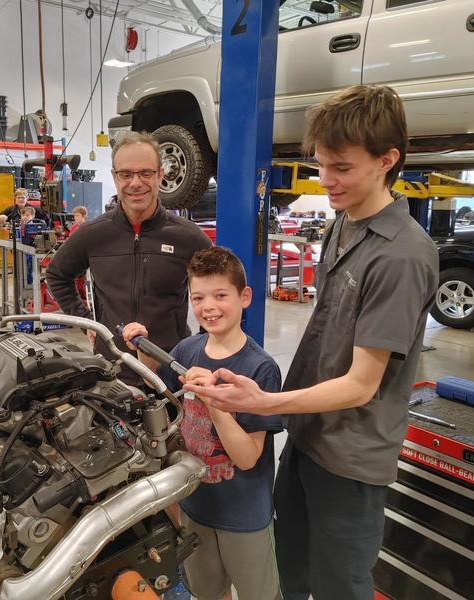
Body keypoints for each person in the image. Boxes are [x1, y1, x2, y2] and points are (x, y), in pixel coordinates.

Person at [182, 85, 439, 600]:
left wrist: (263, 402)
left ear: (388, 160)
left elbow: (362, 384)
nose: (326, 181)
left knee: (339, 585)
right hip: (307, 438)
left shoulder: (402, 256)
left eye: (341, 167)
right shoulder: (342, 224)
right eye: (321, 165)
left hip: (350, 454)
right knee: (291, 570)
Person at [122, 247, 282, 600]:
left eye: (220, 295)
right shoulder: (187, 351)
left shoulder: (260, 368)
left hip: (244, 518)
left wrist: (215, 402)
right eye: (198, 297)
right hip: (196, 506)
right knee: (207, 592)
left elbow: (247, 458)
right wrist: (142, 348)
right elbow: (158, 380)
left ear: (245, 297)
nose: (209, 306)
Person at [46, 131, 211, 383]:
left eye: (145, 173)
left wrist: (203, 346)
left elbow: (215, 291)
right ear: (114, 177)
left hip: (170, 367)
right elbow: (57, 275)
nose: (136, 183)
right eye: (126, 174)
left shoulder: (188, 237)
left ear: (160, 175)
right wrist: (88, 322)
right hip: (111, 368)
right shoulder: (94, 233)